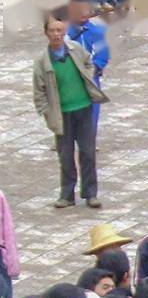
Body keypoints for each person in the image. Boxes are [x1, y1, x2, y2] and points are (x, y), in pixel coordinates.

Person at [31, 14, 108, 210]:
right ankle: (67, 195)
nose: (56, 34)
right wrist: (47, 113)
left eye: (59, 30)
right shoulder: (42, 61)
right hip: (62, 113)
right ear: (46, 33)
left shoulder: (75, 49)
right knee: (65, 155)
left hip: (83, 109)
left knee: (88, 152)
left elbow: (89, 63)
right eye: (52, 30)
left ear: (64, 31)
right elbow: (39, 91)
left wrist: (88, 78)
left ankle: (91, 193)